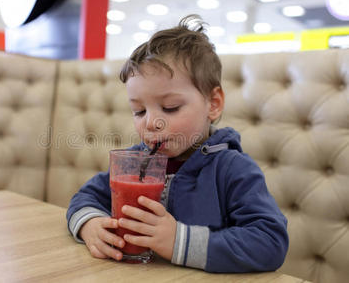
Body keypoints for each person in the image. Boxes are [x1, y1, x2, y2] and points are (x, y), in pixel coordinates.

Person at [66, 14, 288, 272]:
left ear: (213, 104)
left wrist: (177, 241)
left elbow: (271, 242)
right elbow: (85, 196)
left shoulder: (232, 169)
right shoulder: (135, 161)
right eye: (139, 112)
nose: (151, 123)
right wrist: (89, 224)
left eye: (170, 108)